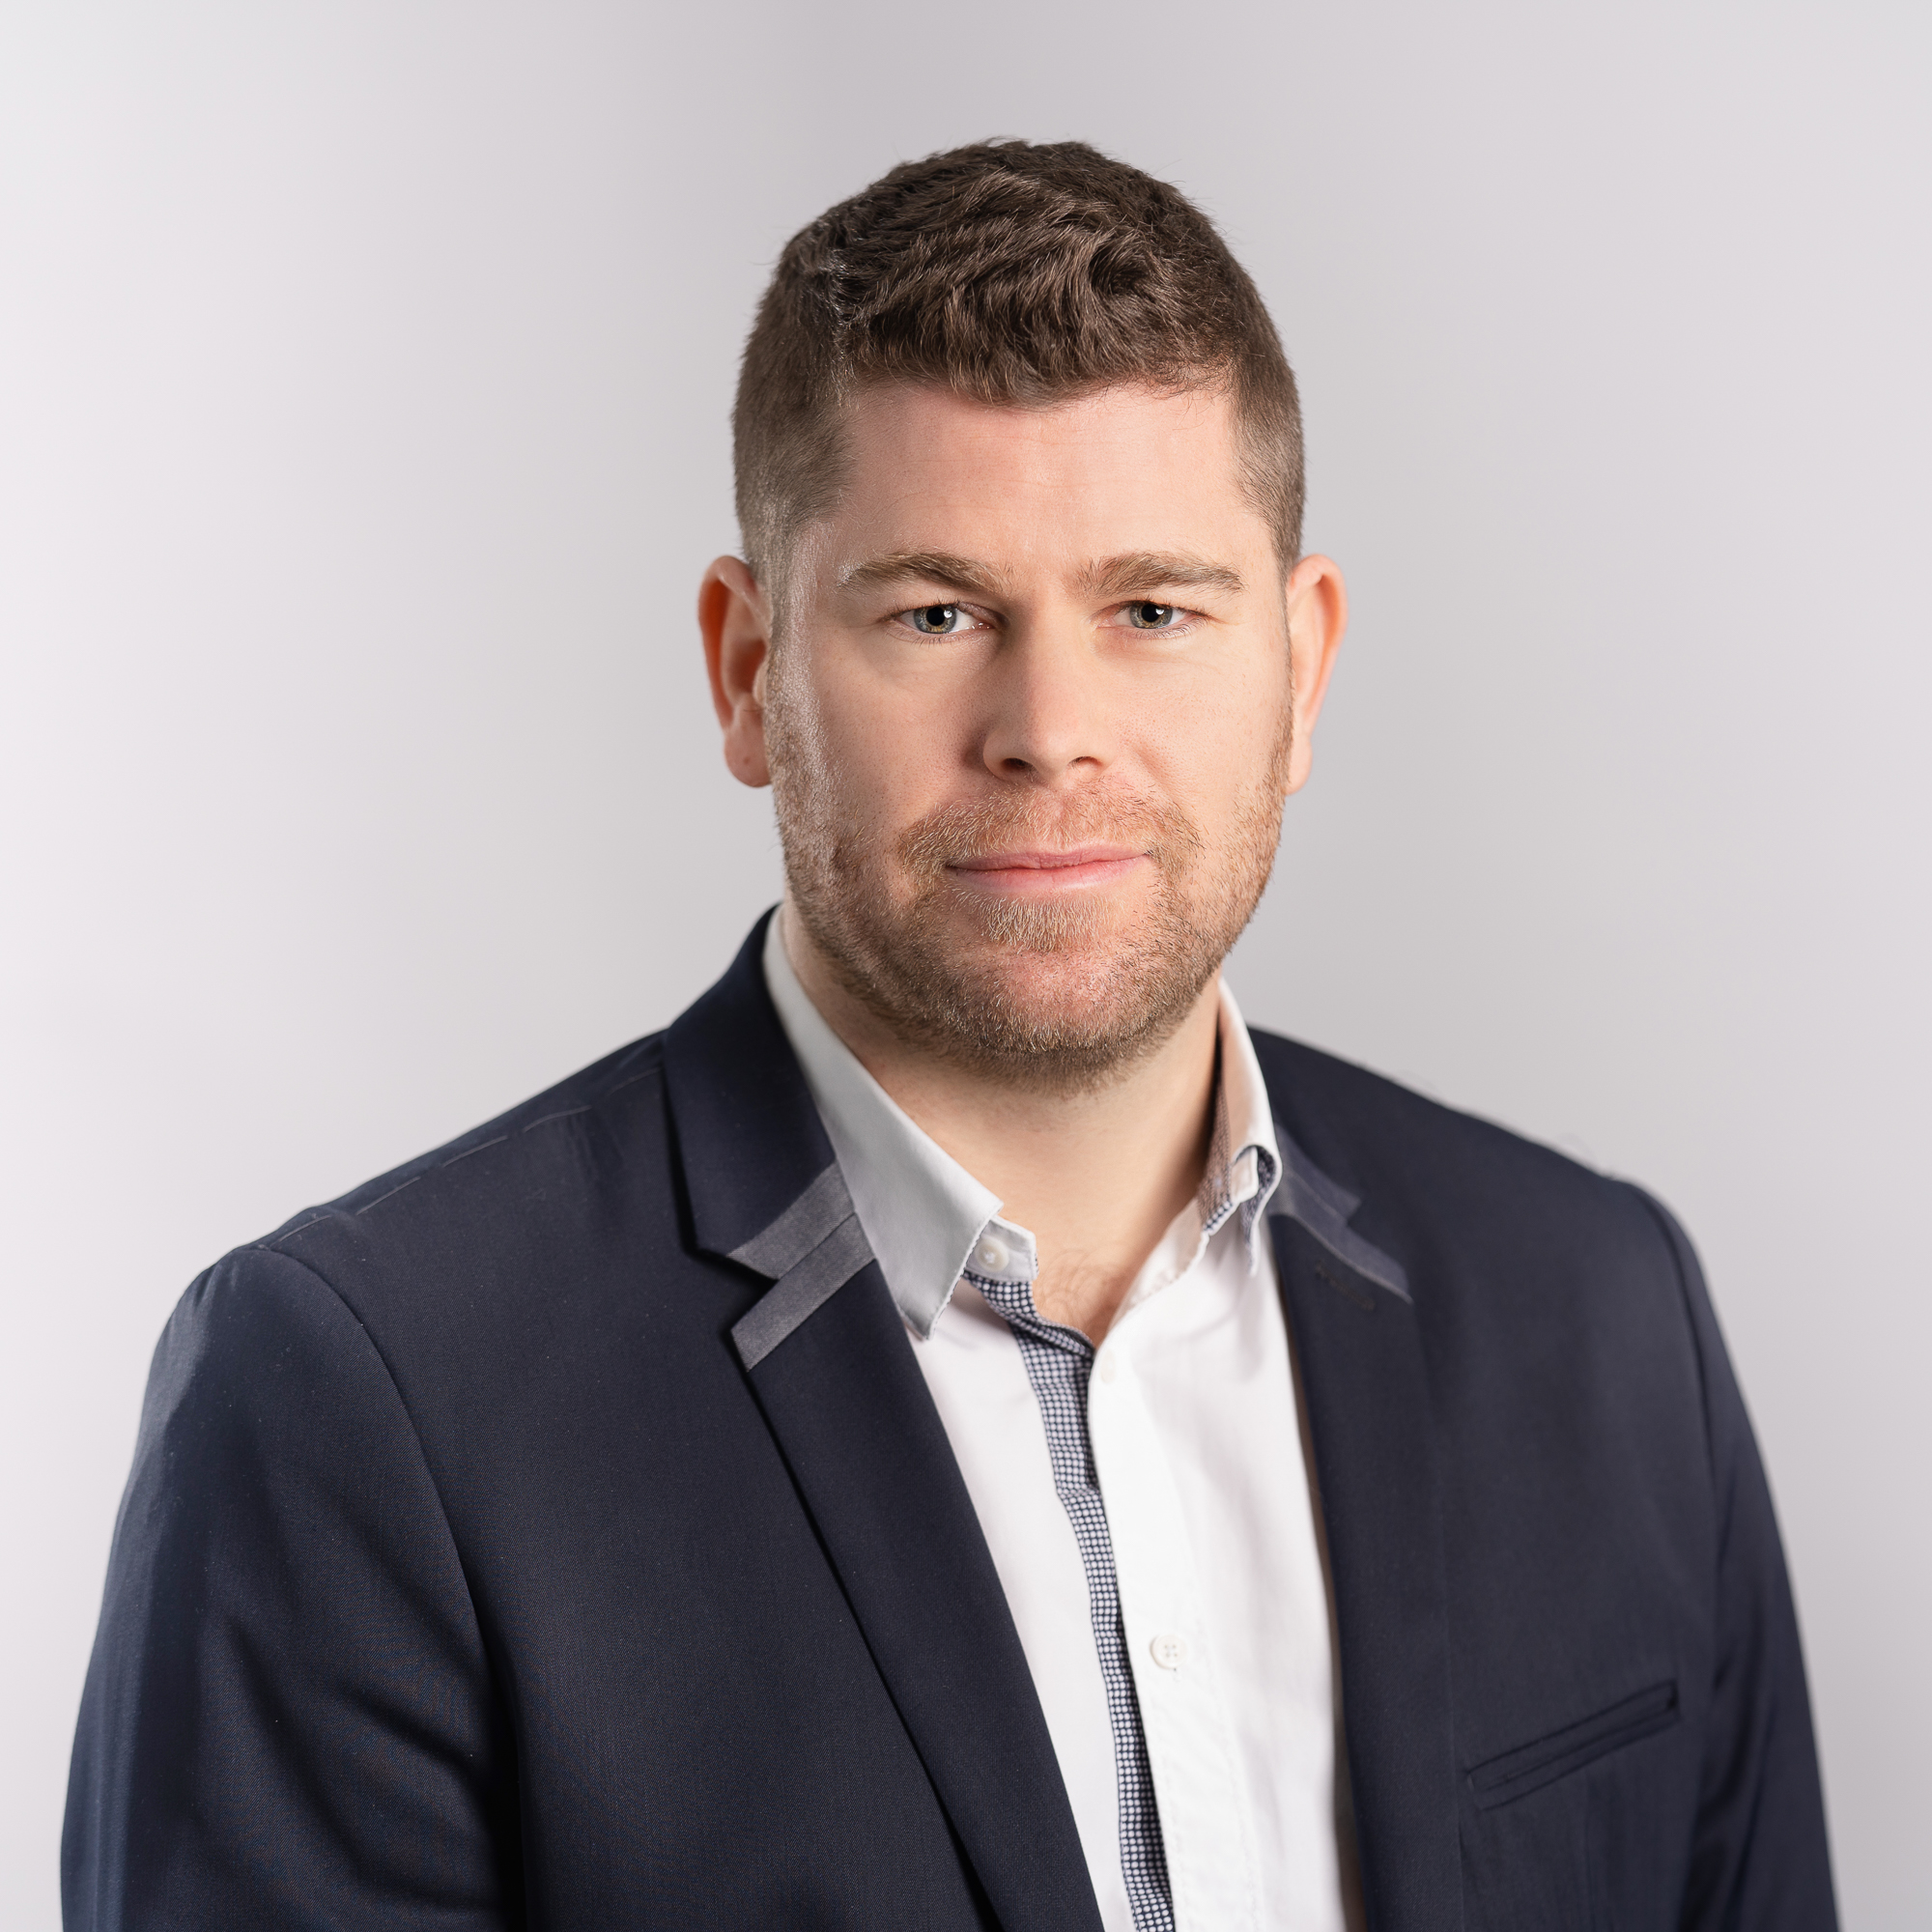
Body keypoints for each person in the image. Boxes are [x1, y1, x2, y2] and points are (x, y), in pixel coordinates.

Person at [64, 140, 1835, 1931]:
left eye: (1153, 609)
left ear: (1301, 670)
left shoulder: (1605, 1316)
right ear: (749, 671)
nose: (1047, 727)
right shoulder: (365, 1404)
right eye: (935, 612)